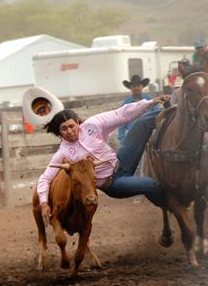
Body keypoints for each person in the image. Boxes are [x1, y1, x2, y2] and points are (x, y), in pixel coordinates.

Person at [36, 94, 171, 226]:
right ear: (59, 132)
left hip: (122, 160)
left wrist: (151, 102)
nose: (69, 131)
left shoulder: (92, 125)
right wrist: (43, 203)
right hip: (113, 184)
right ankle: (172, 206)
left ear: (78, 123)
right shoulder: (63, 153)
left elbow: (120, 114)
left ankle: (176, 112)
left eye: (71, 126)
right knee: (150, 184)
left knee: (143, 122)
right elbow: (45, 179)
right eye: (64, 129)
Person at [117, 75, 159, 144]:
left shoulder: (150, 100)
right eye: (134, 86)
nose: (136, 88)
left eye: (138, 85)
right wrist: (123, 139)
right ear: (130, 88)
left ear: (142, 86)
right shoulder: (126, 104)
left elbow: (157, 115)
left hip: (150, 136)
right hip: (133, 137)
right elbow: (121, 123)